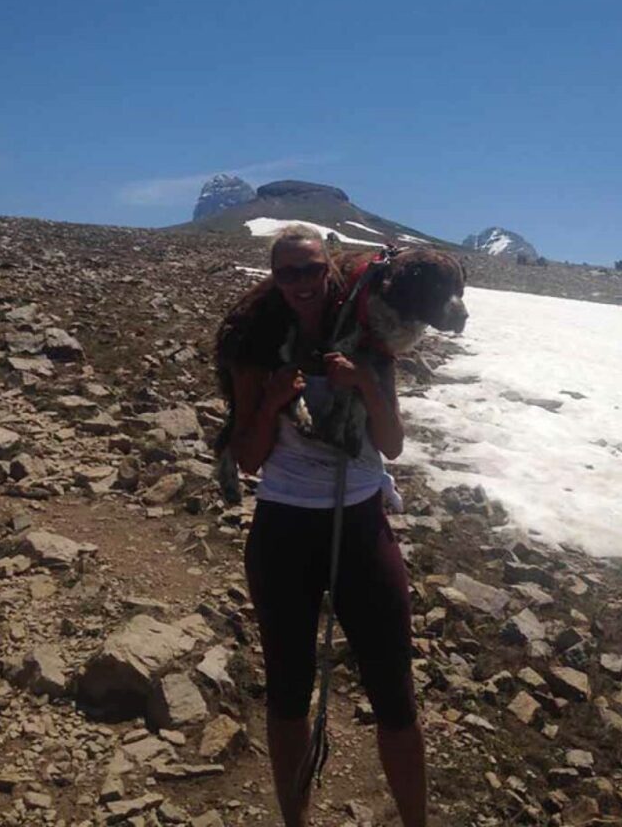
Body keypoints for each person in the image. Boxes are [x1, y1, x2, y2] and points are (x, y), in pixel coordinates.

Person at [225, 224, 426, 827]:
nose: (302, 283)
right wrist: (272, 402)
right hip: (285, 524)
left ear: (329, 272)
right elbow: (247, 457)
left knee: (394, 693)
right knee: (288, 690)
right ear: (274, 278)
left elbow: (391, 444)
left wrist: (363, 382)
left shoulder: (370, 340)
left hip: (360, 520)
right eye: (288, 273)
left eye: (311, 270)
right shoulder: (256, 345)